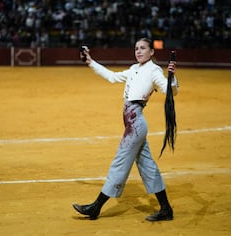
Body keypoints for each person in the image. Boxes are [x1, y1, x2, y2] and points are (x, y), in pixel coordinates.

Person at [72, 37, 179, 222]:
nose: (138, 51)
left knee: (120, 162)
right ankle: (166, 209)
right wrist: (90, 61)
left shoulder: (154, 71)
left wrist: (173, 77)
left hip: (135, 125)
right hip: (133, 124)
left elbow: (171, 90)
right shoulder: (134, 69)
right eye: (136, 48)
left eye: (143, 48)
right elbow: (112, 77)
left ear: (152, 52)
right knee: (147, 166)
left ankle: (96, 207)